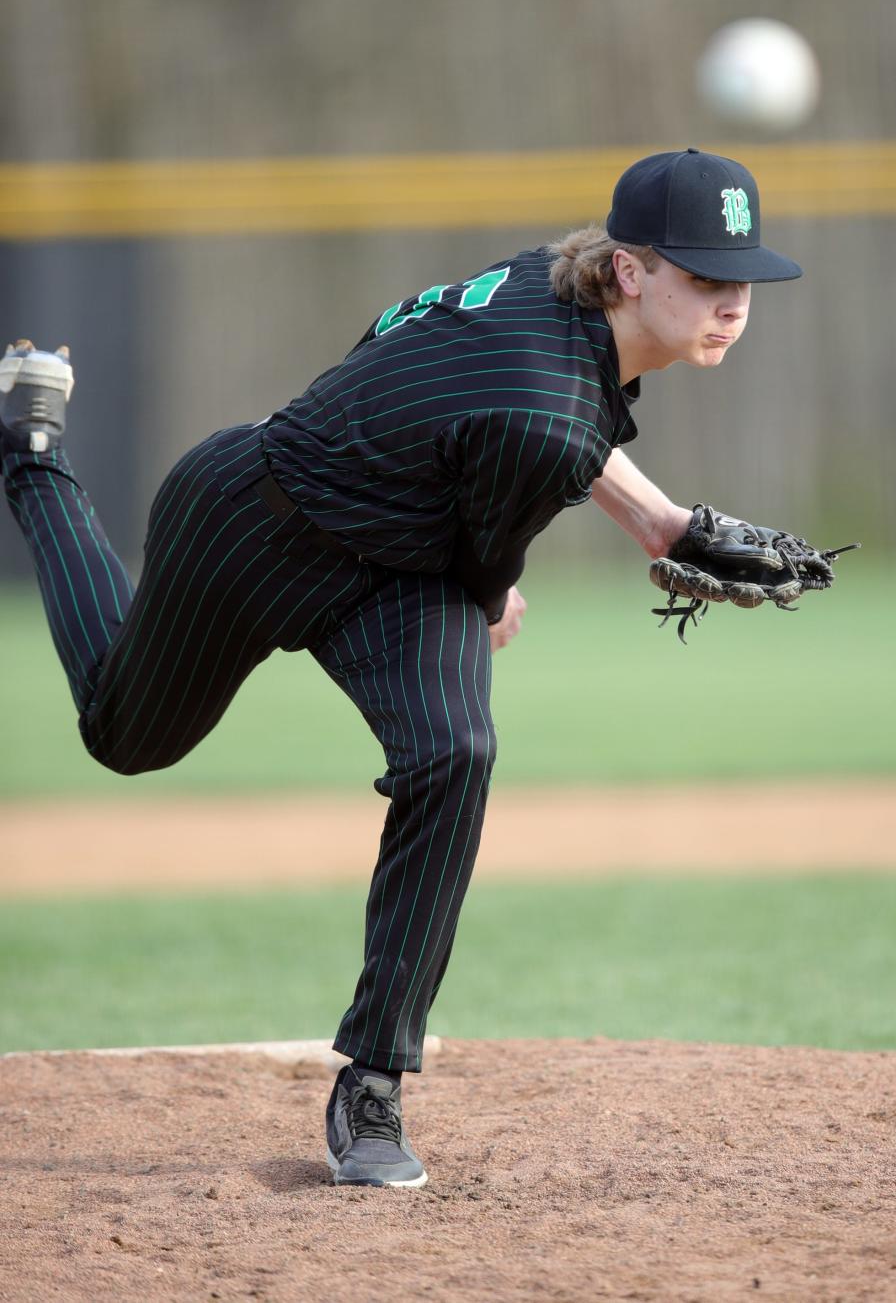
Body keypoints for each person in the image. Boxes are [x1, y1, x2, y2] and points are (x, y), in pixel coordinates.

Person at [0, 148, 801, 1188]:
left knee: (454, 752)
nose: (731, 301)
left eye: (741, 279)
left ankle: (371, 1084)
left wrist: (661, 522)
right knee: (121, 734)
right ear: (631, 272)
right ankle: (32, 451)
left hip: (389, 557)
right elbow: (504, 534)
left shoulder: (541, 287)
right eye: (704, 276)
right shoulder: (545, 409)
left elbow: (521, 413)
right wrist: (501, 588)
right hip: (253, 520)